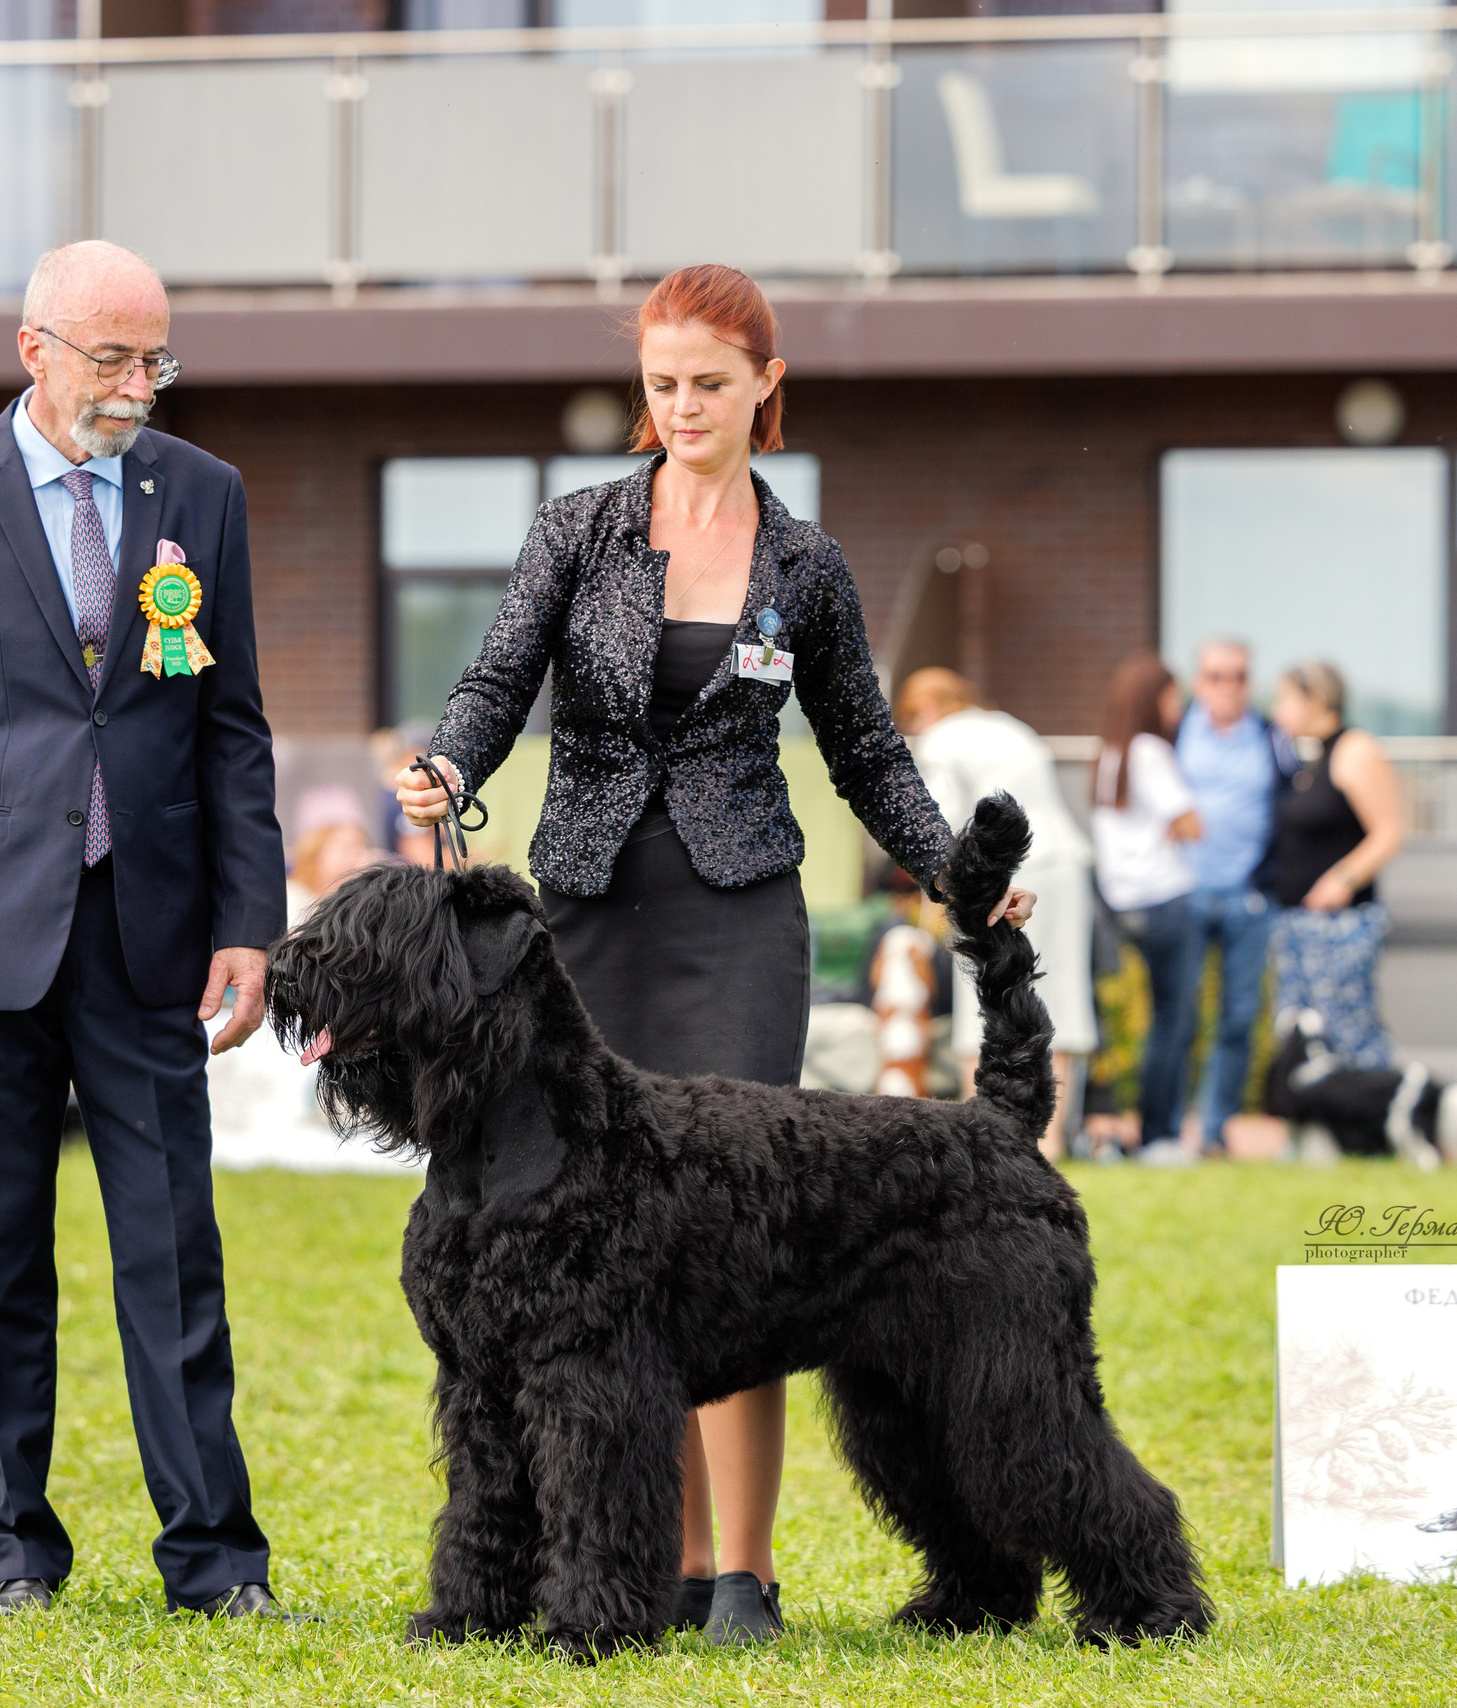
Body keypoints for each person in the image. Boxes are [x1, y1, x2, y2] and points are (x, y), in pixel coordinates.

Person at [399, 264, 1034, 1645]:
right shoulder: (577, 529)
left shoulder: (806, 564)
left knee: (737, 1241)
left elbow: (865, 750)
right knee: (604, 1260)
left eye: (707, 383)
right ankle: (655, 1563)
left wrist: (954, 874)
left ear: (764, 386)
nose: (681, 407)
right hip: (584, 918)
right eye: (662, 384)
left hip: (739, 915)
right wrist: (448, 762)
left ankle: (738, 1571)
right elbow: (498, 679)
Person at [0, 242, 303, 1621]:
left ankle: (214, 1559)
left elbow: (233, 728)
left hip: (153, 934)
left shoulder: (202, 493)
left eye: (155, 358)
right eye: (112, 358)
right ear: (33, 349)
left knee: (174, 1253)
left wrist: (251, 920)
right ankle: (10, 1551)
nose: (137, 386)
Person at [900, 667, 1096, 1157]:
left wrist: (939, 894)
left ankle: (984, 1135)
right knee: (1063, 997)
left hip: (1003, 872)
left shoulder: (941, 739)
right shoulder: (1010, 726)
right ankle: (1053, 1139)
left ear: (926, 709)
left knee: (980, 991)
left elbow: (940, 823)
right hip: (1064, 865)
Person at [1171, 639, 1295, 1157]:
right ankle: (1168, 1131)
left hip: (1250, 897)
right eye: (1217, 676)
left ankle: (1215, 1131)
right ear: (1198, 682)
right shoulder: (1175, 732)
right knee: (1178, 1016)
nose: (1228, 686)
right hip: (1186, 893)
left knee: (1239, 1019)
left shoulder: (1271, 736)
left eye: (1238, 676)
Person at [1256, 660, 1403, 1068]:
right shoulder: (1305, 758)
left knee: (1348, 1033)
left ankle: (1375, 1105)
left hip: (1340, 925)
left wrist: (1343, 878)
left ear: (1316, 700)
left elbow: (1390, 831)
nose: (1278, 711)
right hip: (1295, 924)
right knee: (1299, 1039)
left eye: (1286, 699)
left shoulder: (1355, 751)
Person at [1090, 655, 1202, 1165]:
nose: (1177, 709)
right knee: (1172, 1020)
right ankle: (1158, 1135)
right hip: (1165, 898)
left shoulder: (1109, 753)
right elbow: (1191, 824)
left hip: (1121, 902)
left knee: (1120, 1020)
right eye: (1173, 698)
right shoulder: (1152, 751)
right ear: (1152, 700)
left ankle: (1110, 1127)